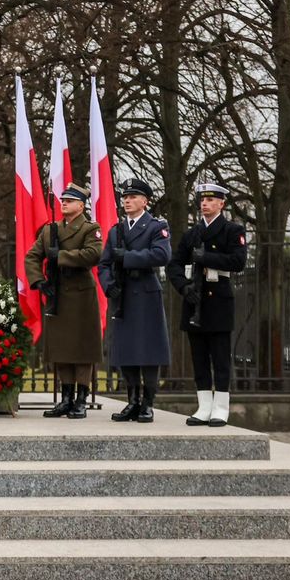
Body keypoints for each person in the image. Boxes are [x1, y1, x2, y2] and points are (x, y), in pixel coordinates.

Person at [169, 182, 248, 426]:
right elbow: (174, 264)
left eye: (211, 200)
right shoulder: (192, 234)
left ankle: (221, 407)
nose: (205, 204)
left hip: (219, 298)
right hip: (196, 298)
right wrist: (184, 287)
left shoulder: (233, 231)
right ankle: (204, 405)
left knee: (220, 358)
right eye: (202, 200)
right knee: (200, 357)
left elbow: (238, 261)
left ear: (221, 204)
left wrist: (207, 257)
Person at [24, 183, 103, 419]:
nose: (64, 203)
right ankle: (66, 398)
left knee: (82, 349)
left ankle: (81, 399)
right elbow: (32, 256)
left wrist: (62, 257)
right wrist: (38, 281)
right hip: (57, 293)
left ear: (81, 205)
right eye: (63, 200)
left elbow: (94, 254)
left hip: (81, 294)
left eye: (69, 200)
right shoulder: (51, 231)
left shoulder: (90, 228)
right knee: (62, 348)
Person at [98, 178, 172, 423]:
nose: (127, 201)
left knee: (149, 351)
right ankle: (132, 401)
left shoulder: (155, 226)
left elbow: (162, 254)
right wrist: (109, 286)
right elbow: (104, 263)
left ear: (144, 201)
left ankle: (148, 403)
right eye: (125, 197)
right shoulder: (116, 230)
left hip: (146, 293)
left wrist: (128, 257)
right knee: (126, 351)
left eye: (132, 197)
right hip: (123, 294)